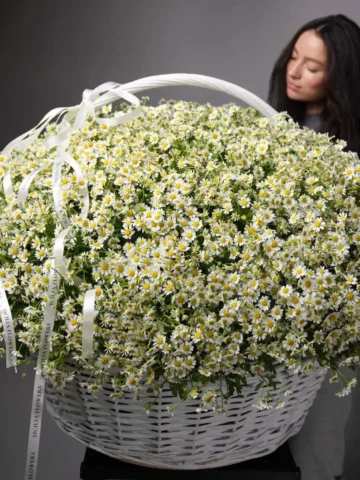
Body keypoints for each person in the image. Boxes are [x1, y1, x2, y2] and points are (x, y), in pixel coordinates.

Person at [267, 13, 360, 480]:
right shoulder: (274, 130)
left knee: (319, 437)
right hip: (276, 311)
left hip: (335, 315)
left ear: (341, 77)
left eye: (314, 67)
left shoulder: (348, 147)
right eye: (294, 57)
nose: (295, 71)